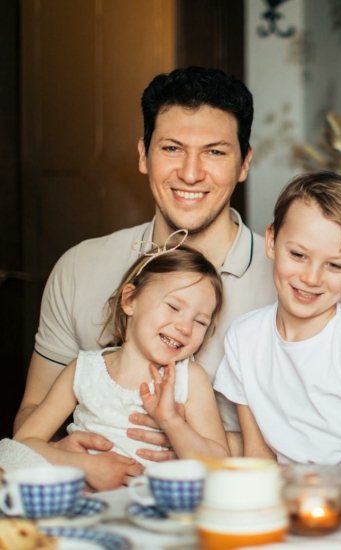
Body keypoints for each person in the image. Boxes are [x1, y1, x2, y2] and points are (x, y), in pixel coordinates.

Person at [12, 67, 275, 486]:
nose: (190, 173)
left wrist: (185, 439)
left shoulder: (291, 282)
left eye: (215, 152)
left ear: (244, 164)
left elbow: (317, 434)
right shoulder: (79, 266)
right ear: (142, 154)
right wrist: (61, 455)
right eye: (172, 148)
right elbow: (32, 414)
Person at [214, 172, 341, 464]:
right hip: (287, 498)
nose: (311, 278)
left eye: (334, 265)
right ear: (271, 241)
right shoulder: (243, 338)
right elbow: (258, 453)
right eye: (298, 255)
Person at [14, 242, 230, 487]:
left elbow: (220, 465)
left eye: (200, 322)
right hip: (85, 510)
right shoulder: (84, 370)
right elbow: (21, 445)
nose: (185, 327)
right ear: (130, 300)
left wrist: (171, 421)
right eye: (173, 307)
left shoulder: (190, 379)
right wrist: (83, 466)